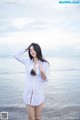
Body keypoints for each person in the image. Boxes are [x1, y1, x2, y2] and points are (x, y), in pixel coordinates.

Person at [14, 43, 50, 120]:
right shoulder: (27, 62)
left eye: (33, 49)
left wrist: (42, 72)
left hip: (39, 95)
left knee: (38, 117)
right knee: (31, 118)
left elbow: (46, 80)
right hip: (28, 94)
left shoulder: (45, 63)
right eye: (30, 50)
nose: (32, 51)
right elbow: (16, 55)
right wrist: (26, 48)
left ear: (38, 50)